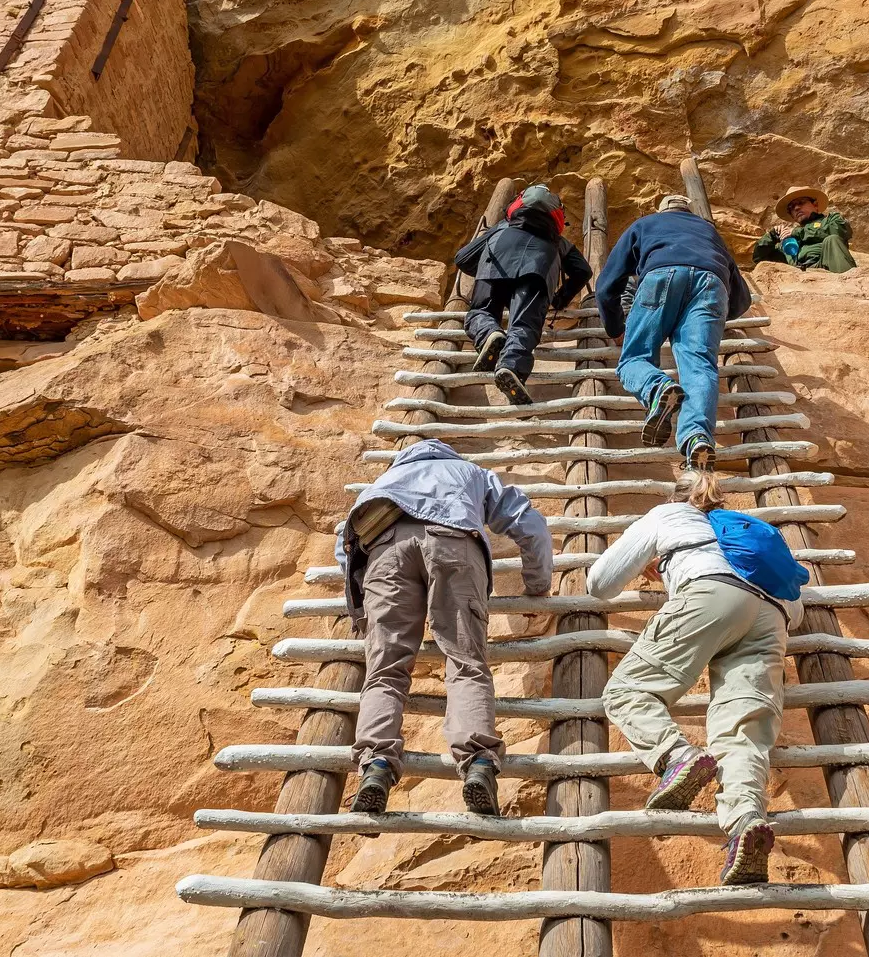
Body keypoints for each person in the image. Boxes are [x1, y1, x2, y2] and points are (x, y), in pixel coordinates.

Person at [590, 470, 809, 886]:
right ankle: (746, 820)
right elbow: (797, 610)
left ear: (678, 496)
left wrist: (659, 564)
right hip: (772, 622)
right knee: (741, 732)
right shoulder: (749, 534)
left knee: (628, 690)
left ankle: (677, 756)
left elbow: (600, 584)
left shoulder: (668, 515)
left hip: (711, 594)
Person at [335, 439, 556, 819]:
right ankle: (478, 763)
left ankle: (376, 765)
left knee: (385, 671)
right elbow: (527, 521)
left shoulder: (386, 481)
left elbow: (346, 545)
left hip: (385, 555)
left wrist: (362, 610)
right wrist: (537, 584)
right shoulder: (470, 473)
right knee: (466, 662)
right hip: (453, 543)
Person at [594, 193, 752, 469]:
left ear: (662, 210)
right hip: (712, 286)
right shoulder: (709, 233)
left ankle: (657, 388)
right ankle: (696, 437)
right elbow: (741, 298)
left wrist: (615, 327)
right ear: (688, 212)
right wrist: (718, 318)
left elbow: (608, 282)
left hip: (661, 275)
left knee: (634, 359)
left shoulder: (646, 224)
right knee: (700, 365)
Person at [453, 184, 594, 405]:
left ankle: (489, 332)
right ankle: (511, 367)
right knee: (523, 327)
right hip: (537, 271)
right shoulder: (557, 241)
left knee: (481, 312)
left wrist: (483, 268)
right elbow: (583, 271)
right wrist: (560, 299)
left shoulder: (501, 228)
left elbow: (462, 257)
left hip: (495, 263)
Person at [751, 186, 856, 273]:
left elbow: (840, 230)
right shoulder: (789, 239)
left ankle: (850, 286)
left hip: (829, 267)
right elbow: (759, 258)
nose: (796, 208)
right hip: (801, 276)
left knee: (832, 239)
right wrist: (771, 236)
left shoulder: (831, 219)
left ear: (815, 205)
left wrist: (797, 232)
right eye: (791, 208)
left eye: (801, 203)